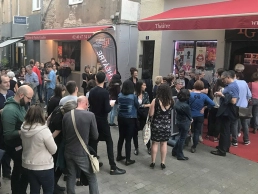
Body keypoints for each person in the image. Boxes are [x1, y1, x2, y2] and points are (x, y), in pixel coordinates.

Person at [88, 71, 126, 175]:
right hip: (102, 121)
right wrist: (111, 105)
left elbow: (90, 105)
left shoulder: (92, 91)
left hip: (93, 120)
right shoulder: (105, 92)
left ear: (96, 79)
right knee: (109, 141)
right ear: (104, 80)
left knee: (94, 141)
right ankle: (113, 167)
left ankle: (93, 162)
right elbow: (106, 109)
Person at [63, 96, 99, 194]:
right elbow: (95, 136)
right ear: (86, 103)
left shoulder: (66, 115)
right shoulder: (90, 115)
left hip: (68, 151)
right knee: (91, 177)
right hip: (81, 152)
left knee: (71, 175)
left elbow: (65, 135)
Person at [2, 85, 34, 194]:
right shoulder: (10, 110)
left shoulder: (19, 105)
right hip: (14, 147)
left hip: (21, 145)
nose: (29, 101)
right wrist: (25, 130)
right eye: (28, 98)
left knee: (22, 171)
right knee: (19, 172)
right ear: (21, 95)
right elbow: (8, 134)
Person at [20, 105, 57, 194]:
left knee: (34, 189)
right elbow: (53, 149)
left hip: (28, 165)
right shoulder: (44, 130)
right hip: (44, 166)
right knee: (48, 190)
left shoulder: (23, 127)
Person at [48, 100, 77, 193]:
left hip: (53, 139)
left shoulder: (58, 108)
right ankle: (52, 187)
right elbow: (54, 135)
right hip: (56, 144)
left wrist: (46, 128)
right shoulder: (61, 119)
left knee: (58, 165)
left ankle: (54, 185)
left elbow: (48, 118)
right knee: (58, 164)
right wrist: (47, 142)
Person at [211, 71, 239, 156]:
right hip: (226, 110)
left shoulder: (233, 86)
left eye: (223, 79)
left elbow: (234, 101)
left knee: (224, 130)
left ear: (228, 77)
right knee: (225, 130)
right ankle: (224, 147)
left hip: (227, 111)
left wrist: (222, 95)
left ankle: (222, 150)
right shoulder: (230, 86)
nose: (222, 81)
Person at [149, 84, 174, 169]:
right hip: (166, 125)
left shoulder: (155, 101)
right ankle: (163, 162)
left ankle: (153, 162)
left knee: (155, 143)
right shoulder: (171, 101)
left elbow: (151, 114)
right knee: (164, 143)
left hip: (156, 125)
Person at [117, 80, 139, 165]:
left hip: (120, 118)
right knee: (128, 139)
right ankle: (128, 159)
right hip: (130, 119)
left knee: (121, 137)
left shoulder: (119, 95)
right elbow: (137, 106)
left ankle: (119, 155)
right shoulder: (133, 96)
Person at [189, 80, 215, 153]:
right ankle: (194, 146)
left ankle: (188, 142)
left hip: (191, 115)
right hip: (200, 115)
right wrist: (205, 107)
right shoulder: (204, 96)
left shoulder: (190, 94)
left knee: (191, 130)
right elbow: (212, 104)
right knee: (197, 131)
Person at [0, 75, 14, 187]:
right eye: (5, 82)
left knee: (8, 153)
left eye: (8, 82)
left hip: (9, 129)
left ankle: (7, 172)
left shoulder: (11, 94)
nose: (8, 84)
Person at [232, 71, 252, 146]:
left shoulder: (233, 83)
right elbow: (249, 94)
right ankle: (246, 140)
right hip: (244, 106)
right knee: (245, 124)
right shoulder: (244, 83)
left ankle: (235, 141)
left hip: (235, 105)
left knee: (234, 123)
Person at [172, 89, 192, 160]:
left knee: (180, 137)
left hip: (178, 121)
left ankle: (174, 150)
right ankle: (179, 154)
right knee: (182, 138)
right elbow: (190, 116)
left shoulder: (177, 102)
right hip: (185, 122)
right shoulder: (186, 106)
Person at [133, 80, 151, 155]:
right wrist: (143, 105)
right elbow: (134, 105)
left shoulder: (146, 94)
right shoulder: (134, 94)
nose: (145, 87)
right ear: (140, 86)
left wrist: (142, 106)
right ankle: (136, 148)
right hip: (135, 116)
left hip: (144, 115)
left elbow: (149, 104)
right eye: (144, 85)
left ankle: (148, 147)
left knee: (146, 131)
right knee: (135, 133)